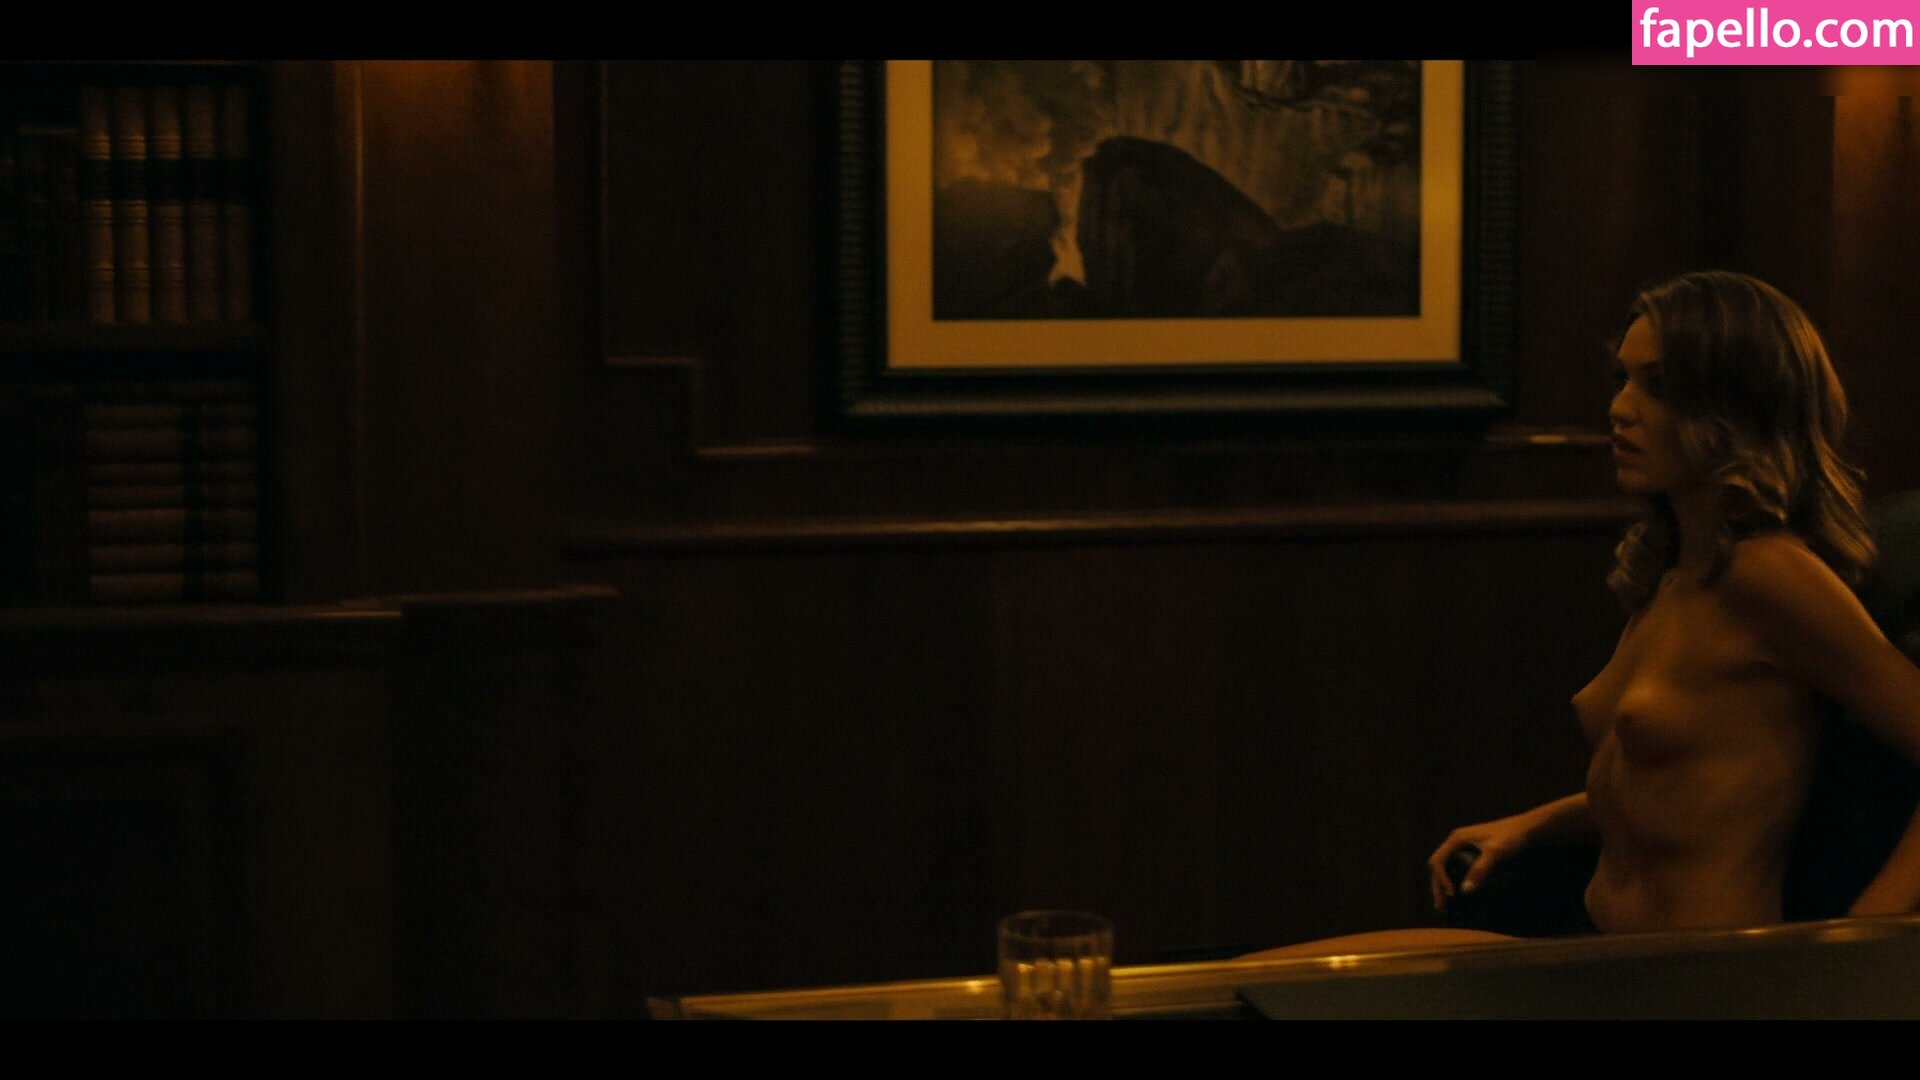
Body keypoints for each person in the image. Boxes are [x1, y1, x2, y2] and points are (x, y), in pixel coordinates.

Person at [1244, 270, 1920, 961]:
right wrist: (1536, 823)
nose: (1620, 409)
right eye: (1623, 380)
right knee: (1257, 981)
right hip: (1592, 947)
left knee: (1270, 991)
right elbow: (1677, 787)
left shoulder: (1769, 574)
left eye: (1658, 386)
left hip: (1697, 977)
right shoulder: (1677, 573)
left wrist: (1858, 941)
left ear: (1735, 405)